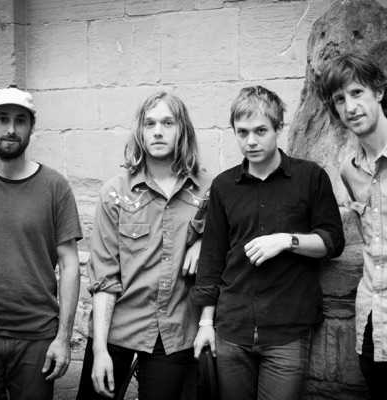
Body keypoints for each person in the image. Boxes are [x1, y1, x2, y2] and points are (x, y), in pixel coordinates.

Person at [190, 86, 345, 400]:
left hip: (287, 332)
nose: (251, 141)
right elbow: (212, 258)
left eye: (260, 131)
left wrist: (286, 241)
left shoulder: (310, 177)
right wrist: (206, 323)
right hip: (232, 329)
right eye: (242, 132)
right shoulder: (223, 186)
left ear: (279, 129)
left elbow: (333, 241)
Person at [76, 92, 212, 400]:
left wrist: (204, 241)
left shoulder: (207, 191)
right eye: (150, 124)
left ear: (182, 129)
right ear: (140, 131)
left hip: (173, 332)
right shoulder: (115, 194)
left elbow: (227, 242)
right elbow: (104, 278)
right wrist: (100, 350)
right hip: (118, 329)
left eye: (168, 123)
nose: (158, 132)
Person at [0, 86, 83, 400]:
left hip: (37, 338)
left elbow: (69, 263)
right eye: (3, 119)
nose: (11, 129)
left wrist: (63, 337)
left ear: (31, 127)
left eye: (20, 121)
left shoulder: (55, 187)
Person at [319, 52, 387, 400]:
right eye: (339, 99)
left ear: (379, 91)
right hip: (374, 322)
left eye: (357, 92)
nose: (350, 107)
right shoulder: (349, 169)